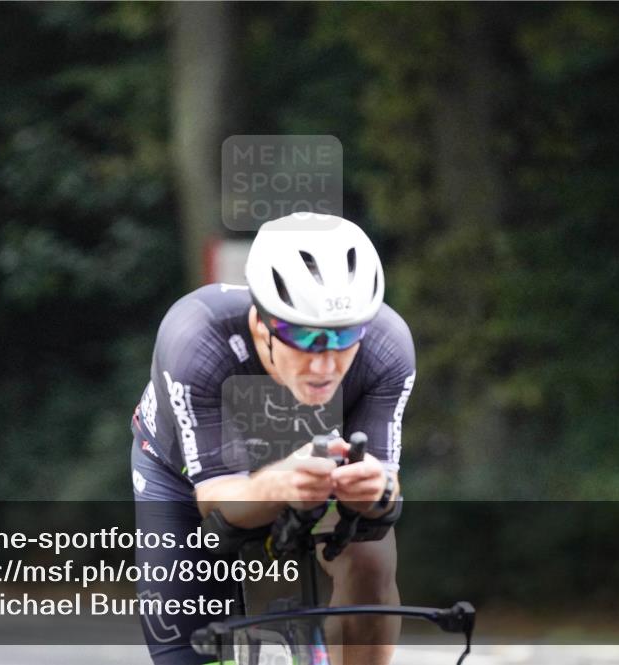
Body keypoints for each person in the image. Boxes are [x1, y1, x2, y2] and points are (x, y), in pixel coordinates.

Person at [130, 212, 416, 664]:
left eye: (344, 337)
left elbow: (386, 494)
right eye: (304, 336)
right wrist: (275, 483)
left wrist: (375, 489)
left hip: (320, 468)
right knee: (188, 649)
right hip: (186, 477)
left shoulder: (387, 346)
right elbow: (217, 504)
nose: (326, 365)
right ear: (262, 324)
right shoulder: (196, 339)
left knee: (371, 561)